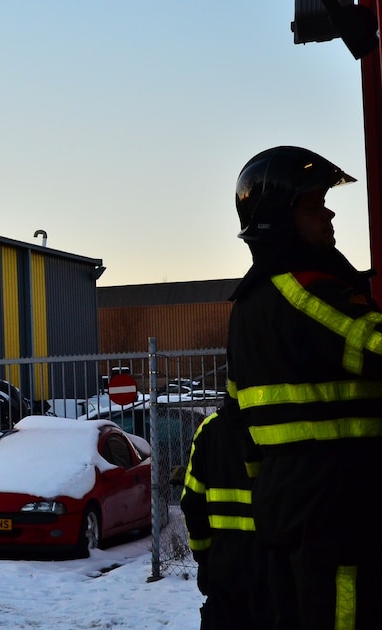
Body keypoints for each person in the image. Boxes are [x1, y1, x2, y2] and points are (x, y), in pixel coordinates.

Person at [227, 145, 382, 629]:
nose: (329, 214)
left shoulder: (248, 307)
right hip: (336, 504)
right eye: (314, 206)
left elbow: (238, 426)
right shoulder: (305, 291)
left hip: (291, 507)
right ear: (279, 219)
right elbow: (375, 346)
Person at [179, 401, 274, 629]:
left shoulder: (209, 430)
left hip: (224, 564)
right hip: (272, 563)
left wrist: (203, 558)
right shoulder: (276, 426)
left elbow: (192, 502)